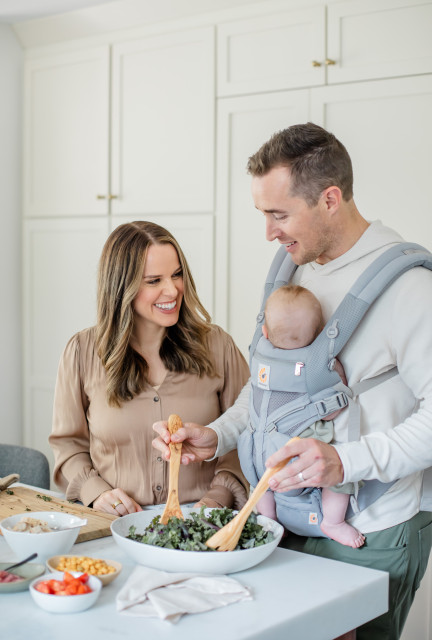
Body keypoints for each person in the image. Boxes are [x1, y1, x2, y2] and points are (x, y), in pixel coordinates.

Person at [152, 123, 432, 640]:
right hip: (282, 527)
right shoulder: (294, 270)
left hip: (370, 531)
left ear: (330, 199)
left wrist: (345, 461)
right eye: (264, 214)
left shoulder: (411, 289)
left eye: (278, 214)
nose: (269, 233)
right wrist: (220, 434)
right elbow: (268, 387)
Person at [49, 220, 249, 516]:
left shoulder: (218, 346)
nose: (172, 290)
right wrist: (98, 493)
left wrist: (218, 498)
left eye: (177, 275)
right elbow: (69, 446)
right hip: (114, 523)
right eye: (154, 281)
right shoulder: (81, 352)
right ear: (122, 288)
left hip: (206, 520)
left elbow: (248, 432)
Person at [255, 283, 364, 548]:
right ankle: (333, 522)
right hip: (304, 450)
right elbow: (332, 411)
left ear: (265, 332)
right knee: (339, 477)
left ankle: (267, 518)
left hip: (266, 452)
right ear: (318, 335)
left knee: (259, 478)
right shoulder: (317, 368)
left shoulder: (259, 357)